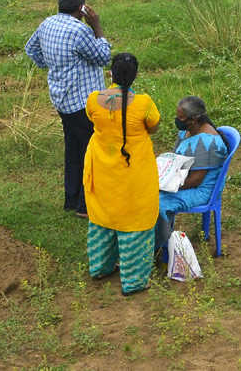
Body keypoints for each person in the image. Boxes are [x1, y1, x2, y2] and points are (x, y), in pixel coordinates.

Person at [25, 0, 111, 217]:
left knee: (73, 150)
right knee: (90, 153)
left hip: (62, 100)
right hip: (84, 103)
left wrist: (53, 66)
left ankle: (71, 200)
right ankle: (85, 207)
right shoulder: (80, 31)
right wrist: (97, 27)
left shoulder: (48, 24)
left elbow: (31, 49)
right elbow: (103, 57)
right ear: (82, 8)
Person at [85, 53, 159, 297]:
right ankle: (134, 281)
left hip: (103, 169)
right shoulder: (144, 103)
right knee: (135, 217)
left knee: (103, 214)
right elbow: (154, 127)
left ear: (110, 74)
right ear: (136, 75)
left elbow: (92, 119)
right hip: (135, 172)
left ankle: (100, 267)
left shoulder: (94, 99)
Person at [155, 96, 229, 254]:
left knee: (156, 202)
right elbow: (177, 156)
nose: (178, 121)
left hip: (201, 190)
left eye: (180, 118)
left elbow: (195, 180)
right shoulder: (187, 131)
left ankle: (160, 245)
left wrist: (164, 186)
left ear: (193, 119)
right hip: (183, 178)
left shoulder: (207, 143)